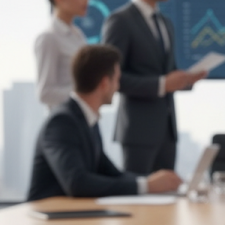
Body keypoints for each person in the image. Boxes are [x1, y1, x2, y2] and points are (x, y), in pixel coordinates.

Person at [27, 44, 182, 201]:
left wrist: (154, 181)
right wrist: (146, 186)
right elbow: (77, 183)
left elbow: (112, 174)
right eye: (117, 80)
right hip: (49, 218)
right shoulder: (61, 122)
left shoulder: (88, 121)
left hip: (73, 215)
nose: (118, 87)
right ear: (104, 83)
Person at [101, 0, 206, 174]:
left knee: (166, 202)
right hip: (138, 133)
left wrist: (187, 80)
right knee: (138, 202)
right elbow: (111, 78)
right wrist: (161, 85)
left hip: (167, 133)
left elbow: (168, 73)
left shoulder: (166, 24)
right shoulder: (120, 21)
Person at [35, 0, 89, 109]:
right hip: (65, 122)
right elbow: (45, 93)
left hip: (84, 119)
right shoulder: (49, 38)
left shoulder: (78, 35)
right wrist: (84, 92)